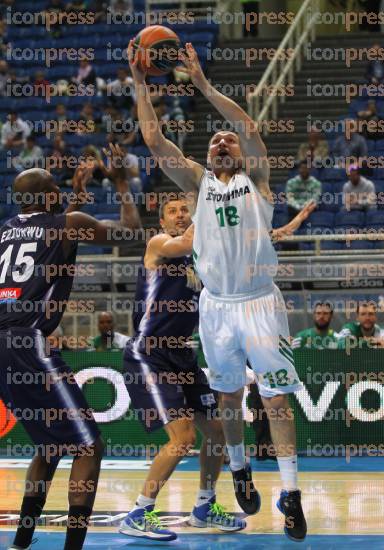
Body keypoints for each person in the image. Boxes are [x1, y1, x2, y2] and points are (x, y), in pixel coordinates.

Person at [128, 40, 308, 541]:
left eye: (228, 141)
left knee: (275, 401)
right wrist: (141, 85)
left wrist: (204, 86)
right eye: (215, 142)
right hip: (216, 307)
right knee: (227, 397)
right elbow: (155, 140)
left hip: (259, 303)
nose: (223, 143)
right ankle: (239, 468)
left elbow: (248, 129)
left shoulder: (258, 181)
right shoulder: (197, 184)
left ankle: (290, 492)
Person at [2, 144, 141, 550]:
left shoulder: (5, 229)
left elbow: (49, 238)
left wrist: (73, 201)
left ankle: (22, 541)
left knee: (49, 445)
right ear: (48, 198)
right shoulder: (67, 223)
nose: (63, 193)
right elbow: (130, 231)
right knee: (88, 446)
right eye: (57, 190)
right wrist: (119, 182)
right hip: (28, 340)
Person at [120, 196, 245, 540]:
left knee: (217, 431)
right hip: (150, 353)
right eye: (172, 211)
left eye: (184, 210)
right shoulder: (159, 244)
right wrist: (208, 203)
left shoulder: (199, 262)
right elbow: (189, 240)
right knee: (183, 438)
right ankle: (139, 511)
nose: (180, 215)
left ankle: (204, 507)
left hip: (183, 356)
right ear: (162, 222)